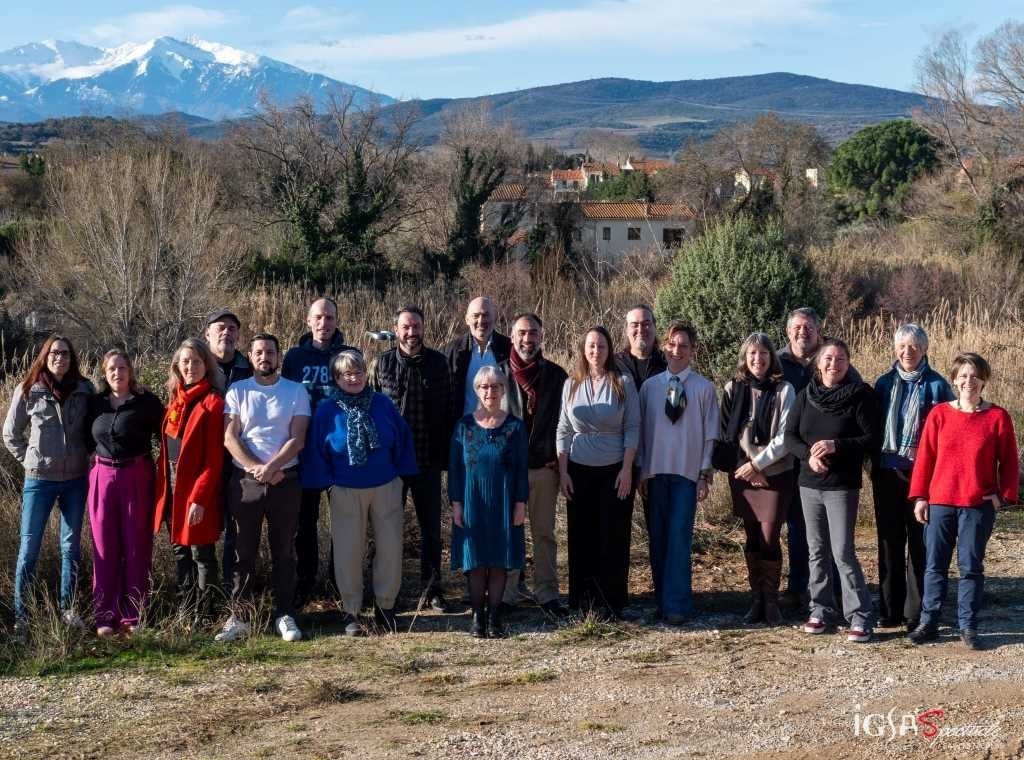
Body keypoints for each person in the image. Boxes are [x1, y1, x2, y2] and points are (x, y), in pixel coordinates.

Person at [907, 353, 1019, 650]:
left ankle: (968, 625)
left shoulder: (997, 417)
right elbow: (925, 458)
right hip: (940, 502)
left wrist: (1002, 496)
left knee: (970, 566)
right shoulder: (940, 414)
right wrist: (920, 496)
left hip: (977, 506)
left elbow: (1009, 461)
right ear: (955, 379)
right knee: (934, 565)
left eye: (975, 376)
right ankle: (929, 622)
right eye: (963, 376)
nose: (969, 381)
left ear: (984, 380)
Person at [302, 350, 417, 636]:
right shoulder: (327, 410)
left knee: (390, 548)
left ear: (366, 374)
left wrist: (401, 476)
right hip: (345, 489)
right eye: (346, 374)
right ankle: (351, 611)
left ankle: (386, 607)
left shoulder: (382, 404)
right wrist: (327, 482)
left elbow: (402, 438)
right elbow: (317, 450)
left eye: (358, 372)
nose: (353, 378)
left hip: (385, 486)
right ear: (336, 378)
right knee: (347, 552)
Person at [217, 334, 310, 643]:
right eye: (258, 352)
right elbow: (230, 438)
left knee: (284, 551)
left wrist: (272, 468)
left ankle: (285, 614)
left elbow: (297, 437)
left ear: (278, 356)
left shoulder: (296, 391)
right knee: (243, 552)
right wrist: (256, 467)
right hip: (246, 483)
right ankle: (239, 616)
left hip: (286, 481)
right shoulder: (237, 391)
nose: (264, 356)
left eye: (270, 351)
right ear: (251, 356)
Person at [784, 338, 878, 643]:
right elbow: (790, 437)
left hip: (842, 487)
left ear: (848, 364)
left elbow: (870, 438)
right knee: (816, 551)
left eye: (840, 360)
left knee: (842, 552)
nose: (833, 365)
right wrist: (808, 455)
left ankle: (860, 615)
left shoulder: (859, 396)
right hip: (809, 486)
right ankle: (821, 609)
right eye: (827, 359)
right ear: (817, 362)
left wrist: (837, 445)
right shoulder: (805, 396)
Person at [4, 335, 94, 637]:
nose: (60, 358)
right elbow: (10, 433)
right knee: (29, 548)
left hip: (75, 481)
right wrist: (31, 461)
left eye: (66, 353)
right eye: (55, 353)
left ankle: (68, 610)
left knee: (71, 547)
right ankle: (23, 617)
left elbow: (94, 429)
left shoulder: (85, 389)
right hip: (39, 481)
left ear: (72, 358)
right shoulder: (29, 389)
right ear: (45, 356)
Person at [370, 305, 453, 612]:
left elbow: (448, 411)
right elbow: (375, 411)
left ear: (423, 328)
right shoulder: (382, 364)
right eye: (405, 327)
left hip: (428, 461)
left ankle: (432, 589)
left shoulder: (439, 364)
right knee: (387, 528)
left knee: (431, 529)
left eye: (416, 326)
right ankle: (386, 592)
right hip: (392, 464)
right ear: (396, 329)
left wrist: (446, 457)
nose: (411, 332)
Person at [871, 324, 953, 630]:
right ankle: (890, 610)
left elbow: (948, 433)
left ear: (924, 350)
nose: (908, 352)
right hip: (887, 473)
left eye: (914, 347)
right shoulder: (883, 384)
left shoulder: (938, 386)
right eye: (902, 346)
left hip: (924, 477)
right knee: (889, 542)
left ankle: (915, 612)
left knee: (920, 544)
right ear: (895, 349)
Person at [637, 322, 718, 624]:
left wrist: (704, 475)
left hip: (686, 474)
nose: (677, 350)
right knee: (658, 539)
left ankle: (678, 605)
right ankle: (661, 601)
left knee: (679, 539)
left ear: (692, 350)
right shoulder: (650, 387)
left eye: (683, 345)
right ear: (665, 346)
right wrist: (642, 472)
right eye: (672, 344)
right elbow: (642, 433)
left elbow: (710, 434)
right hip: (656, 473)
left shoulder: (703, 389)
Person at [556, 326, 640, 618]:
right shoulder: (571, 384)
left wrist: (628, 469)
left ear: (609, 350)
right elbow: (563, 430)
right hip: (578, 471)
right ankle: (582, 601)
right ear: (583, 349)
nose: (596, 351)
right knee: (582, 537)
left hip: (614, 470)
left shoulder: (623, 382)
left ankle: (612, 602)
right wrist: (563, 472)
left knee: (612, 536)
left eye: (601, 346)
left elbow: (632, 427)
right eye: (591, 346)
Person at [716, 334, 795, 626]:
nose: (757, 359)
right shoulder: (732, 388)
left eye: (763, 353)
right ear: (744, 357)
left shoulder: (784, 390)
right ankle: (756, 600)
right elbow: (726, 435)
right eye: (752, 354)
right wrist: (746, 468)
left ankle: (772, 601)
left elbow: (786, 437)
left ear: (771, 357)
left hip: (776, 474)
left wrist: (759, 465)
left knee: (769, 536)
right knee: (751, 536)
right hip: (742, 474)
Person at [282, 297, 356, 605]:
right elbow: (284, 399)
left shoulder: (349, 355)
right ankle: (306, 581)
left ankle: (342, 583)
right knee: (305, 522)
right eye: (318, 317)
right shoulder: (295, 357)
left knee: (344, 521)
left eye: (329, 317)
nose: (324, 323)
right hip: (306, 451)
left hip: (340, 451)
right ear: (308, 321)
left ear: (337, 321)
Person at [85, 351, 164, 636]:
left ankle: (133, 615)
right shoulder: (95, 404)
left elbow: (166, 436)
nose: (117, 373)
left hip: (137, 476)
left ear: (130, 371)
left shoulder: (147, 403)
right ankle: (105, 615)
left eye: (122, 368)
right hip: (102, 477)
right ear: (104, 374)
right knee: (104, 547)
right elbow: (84, 437)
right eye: (111, 369)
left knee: (136, 545)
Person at [777, 307, 853, 609]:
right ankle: (798, 588)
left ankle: (830, 592)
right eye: (796, 327)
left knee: (832, 534)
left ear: (818, 331)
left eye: (808, 327)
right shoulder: (778, 362)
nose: (802, 332)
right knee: (797, 528)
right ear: (788, 331)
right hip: (789, 459)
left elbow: (856, 395)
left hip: (830, 463)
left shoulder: (831, 359)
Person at [497, 313, 568, 617]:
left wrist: (559, 457)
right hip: (508, 470)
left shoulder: (556, 375)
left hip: (543, 468)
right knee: (510, 533)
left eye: (534, 333)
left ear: (541, 336)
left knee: (544, 533)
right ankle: (507, 594)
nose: (528, 339)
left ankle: (547, 593)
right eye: (522, 333)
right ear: (512, 337)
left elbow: (566, 422)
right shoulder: (498, 375)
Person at [449, 366, 529, 638]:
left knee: (498, 560)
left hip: (504, 502)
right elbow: (456, 469)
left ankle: (495, 618)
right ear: (476, 391)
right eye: (484, 387)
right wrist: (456, 503)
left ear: (503, 390)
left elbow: (521, 469)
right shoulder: (464, 426)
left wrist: (521, 503)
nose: (489, 392)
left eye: (495, 386)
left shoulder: (515, 426)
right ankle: (477, 617)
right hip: (472, 502)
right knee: (476, 561)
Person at [152, 338, 225, 628]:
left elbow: (214, 461)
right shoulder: (175, 402)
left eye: (196, 361)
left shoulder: (213, 403)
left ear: (206, 365)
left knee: (201, 554)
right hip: (171, 489)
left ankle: (206, 616)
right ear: (177, 366)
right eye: (185, 362)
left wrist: (200, 498)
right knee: (179, 552)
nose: (190, 367)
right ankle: (187, 610)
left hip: (196, 491)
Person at [203, 307, 253, 596]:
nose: (227, 332)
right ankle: (205, 596)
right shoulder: (194, 366)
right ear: (207, 333)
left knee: (238, 532)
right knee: (204, 531)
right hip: (205, 462)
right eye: (220, 327)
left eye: (232, 328)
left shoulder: (251, 368)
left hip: (241, 462)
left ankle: (233, 595)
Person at [445, 296, 511, 424]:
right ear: (467, 319)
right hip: (464, 433)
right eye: (476, 316)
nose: (481, 321)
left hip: (502, 432)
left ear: (494, 317)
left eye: (486, 315)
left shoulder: (509, 350)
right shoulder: (450, 353)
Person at [614, 304, 667, 390]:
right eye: (634, 325)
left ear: (655, 327)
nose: (640, 330)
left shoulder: (667, 364)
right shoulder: (615, 364)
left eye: (646, 324)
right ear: (627, 330)